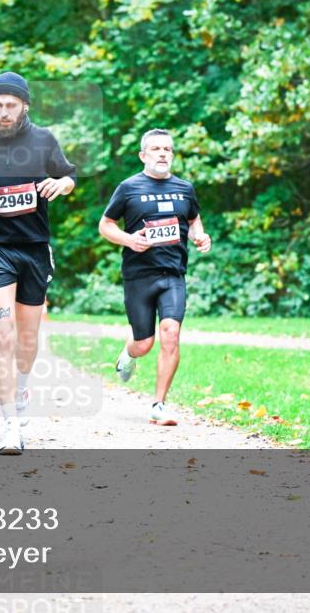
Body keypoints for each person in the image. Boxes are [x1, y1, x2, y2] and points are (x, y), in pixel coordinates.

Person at [0, 71, 76, 455]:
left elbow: (69, 175)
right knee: (3, 333)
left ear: (25, 106)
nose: (3, 112)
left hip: (34, 248)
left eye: (11, 105)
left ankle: (22, 384)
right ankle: (9, 426)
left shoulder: (43, 139)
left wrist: (62, 184)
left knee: (26, 340)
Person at [98, 128, 211, 426]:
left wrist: (200, 236)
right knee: (144, 343)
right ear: (143, 155)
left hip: (173, 274)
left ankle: (159, 405)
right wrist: (128, 240)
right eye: (156, 149)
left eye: (168, 149)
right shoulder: (128, 187)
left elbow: (193, 218)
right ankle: (129, 351)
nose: (163, 154)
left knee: (171, 333)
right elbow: (105, 225)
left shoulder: (185, 188)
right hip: (139, 276)